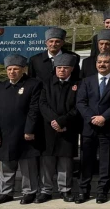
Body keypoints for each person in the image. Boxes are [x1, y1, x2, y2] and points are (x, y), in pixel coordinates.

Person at [0, 54, 42, 205]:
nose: (12, 72)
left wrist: (30, 130)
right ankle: (5, 193)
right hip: (5, 133)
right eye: (9, 69)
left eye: (16, 69)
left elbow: (34, 109)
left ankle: (29, 192)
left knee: (27, 166)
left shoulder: (33, 84)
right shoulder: (1, 87)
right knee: (6, 165)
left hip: (25, 133)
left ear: (23, 69)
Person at [75, 52, 110, 203]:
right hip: (89, 127)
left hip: (108, 126)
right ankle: (83, 191)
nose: (102, 65)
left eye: (105, 62)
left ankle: (102, 192)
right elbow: (80, 102)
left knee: (106, 162)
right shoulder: (87, 81)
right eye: (99, 62)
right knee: (86, 161)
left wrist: (104, 117)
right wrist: (92, 118)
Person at [38, 53, 81, 203]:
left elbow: (78, 107)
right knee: (47, 160)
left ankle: (65, 190)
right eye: (59, 67)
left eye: (65, 68)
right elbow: (42, 104)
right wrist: (54, 121)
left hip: (68, 127)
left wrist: (63, 122)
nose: (62, 70)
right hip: (49, 127)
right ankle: (46, 190)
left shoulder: (78, 84)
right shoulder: (46, 83)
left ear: (71, 69)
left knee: (65, 161)